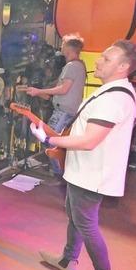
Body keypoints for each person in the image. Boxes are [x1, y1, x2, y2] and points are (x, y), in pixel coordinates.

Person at [29, 40, 136, 270]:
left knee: (86, 224)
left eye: (106, 57)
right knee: (76, 216)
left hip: (93, 175)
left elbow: (89, 140)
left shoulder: (115, 98)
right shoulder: (111, 91)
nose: (98, 61)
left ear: (123, 66)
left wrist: (49, 140)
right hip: (84, 171)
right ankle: (68, 260)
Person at [25, 35, 86, 176]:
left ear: (69, 49)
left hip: (64, 111)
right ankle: (59, 171)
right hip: (64, 110)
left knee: (50, 140)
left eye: (63, 45)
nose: (61, 47)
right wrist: (39, 93)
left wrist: (39, 91)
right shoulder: (78, 65)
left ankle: (59, 172)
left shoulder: (72, 66)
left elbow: (64, 89)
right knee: (53, 141)